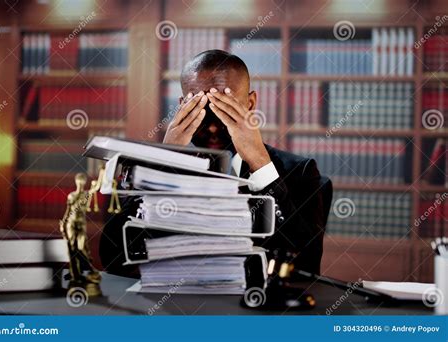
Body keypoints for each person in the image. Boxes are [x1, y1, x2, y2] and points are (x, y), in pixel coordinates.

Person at [100, 50, 326, 276]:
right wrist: (163, 163)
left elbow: (305, 265)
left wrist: (261, 165)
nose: (212, 128)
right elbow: (114, 259)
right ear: (182, 107)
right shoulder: (144, 171)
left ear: (250, 104)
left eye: (224, 109)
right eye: (201, 110)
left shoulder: (300, 172)